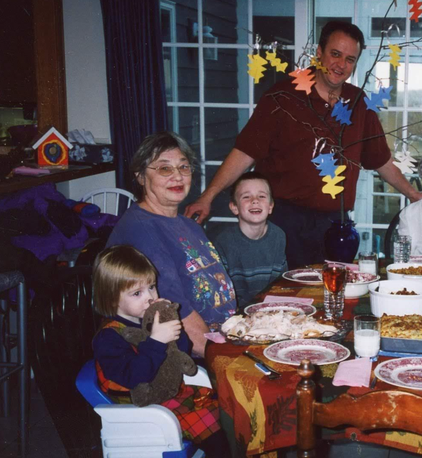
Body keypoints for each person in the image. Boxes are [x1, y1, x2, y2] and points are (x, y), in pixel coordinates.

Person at [185, 21, 422, 268]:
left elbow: (380, 159)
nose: (341, 65)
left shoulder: (358, 102)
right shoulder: (283, 96)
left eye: (350, 59)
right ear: (319, 53)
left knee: (333, 292)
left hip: (336, 223)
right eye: (335, 54)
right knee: (288, 294)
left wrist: (412, 193)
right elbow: (245, 152)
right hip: (285, 221)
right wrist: (208, 196)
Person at [107, 132, 237, 358]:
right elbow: (174, 309)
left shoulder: (188, 224)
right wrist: (220, 358)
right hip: (181, 354)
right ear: (140, 176)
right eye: (165, 169)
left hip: (223, 336)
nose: (178, 176)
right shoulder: (142, 230)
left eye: (184, 167)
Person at [91, 245, 226, 452]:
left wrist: (169, 324)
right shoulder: (109, 337)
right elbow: (135, 376)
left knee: (227, 407)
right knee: (217, 433)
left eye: (152, 287)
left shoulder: (145, 319)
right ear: (112, 299)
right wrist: (156, 341)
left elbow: (181, 350)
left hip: (169, 393)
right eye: (137, 293)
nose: (150, 298)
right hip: (144, 407)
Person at [212, 172, 287, 307]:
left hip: (270, 309)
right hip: (236, 312)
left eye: (262, 196)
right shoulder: (223, 241)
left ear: (270, 206)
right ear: (234, 207)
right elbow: (220, 291)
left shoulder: (278, 236)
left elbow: (281, 284)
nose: (255, 200)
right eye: (246, 196)